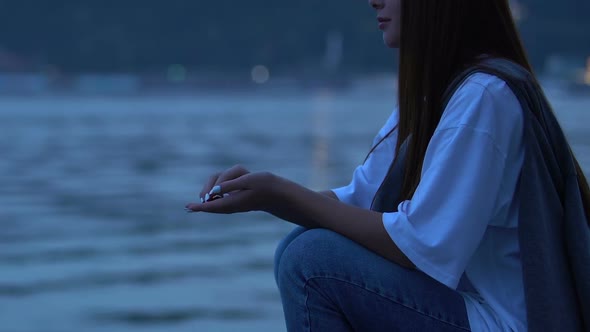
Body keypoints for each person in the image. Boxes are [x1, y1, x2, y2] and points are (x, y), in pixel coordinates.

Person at [185, 0, 590, 330]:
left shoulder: (485, 95)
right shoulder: (438, 94)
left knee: (311, 263)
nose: (374, 1)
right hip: (466, 307)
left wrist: (280, 191)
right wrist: (265, 194)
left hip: (505, 321)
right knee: (295, 245)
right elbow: (363, 200)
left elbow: (421, 245)